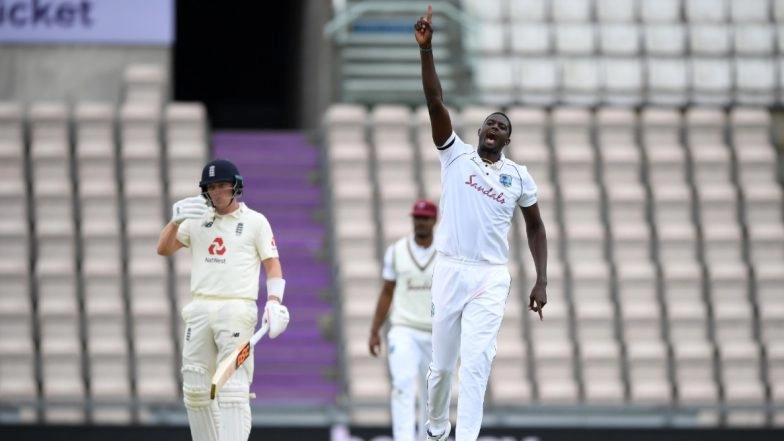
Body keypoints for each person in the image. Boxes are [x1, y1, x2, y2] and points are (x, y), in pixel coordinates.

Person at [414, 6, 549, 441]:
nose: (494, 127)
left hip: (491, 275)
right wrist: (427, 50)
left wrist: (541, 279)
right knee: (441, 367)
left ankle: (465, 437)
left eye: (502, 126)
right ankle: (436, 427)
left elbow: (536, 228)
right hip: (451, 268)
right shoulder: (455, 156)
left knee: (477, 362)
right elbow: (435, 100)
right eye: (490, 122)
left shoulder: (519, 176)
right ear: (480, 132)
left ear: (507, 139)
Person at [156, 159, 290, 441]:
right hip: (200, 307)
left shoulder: (255, 221)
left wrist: (274, 301)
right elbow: (163, 249)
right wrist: (174, 221)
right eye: (212, 187)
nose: (217, 192)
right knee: (194, 386)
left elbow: (273, 265)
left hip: (236, 308)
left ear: (235, 186)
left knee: (233, 389)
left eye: (222, 186)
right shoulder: (196, 220)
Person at [368, 199, 439, 441]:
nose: (420, 222)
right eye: (417, 217)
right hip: (404, 329)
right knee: (402, 386)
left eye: (425, 217)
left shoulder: (446, 252)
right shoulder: (397, 251)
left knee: (434, 394)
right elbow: (387, 292)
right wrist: (375, 330)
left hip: (436, 332)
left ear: (434, 220)